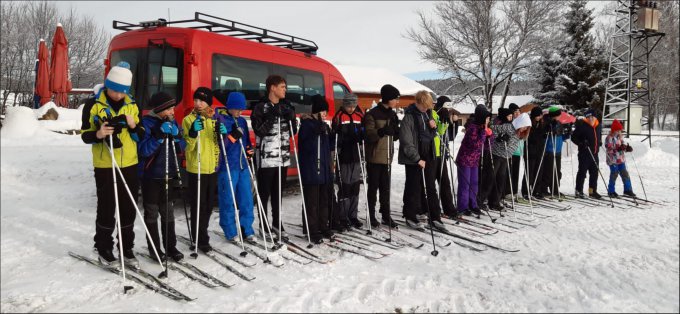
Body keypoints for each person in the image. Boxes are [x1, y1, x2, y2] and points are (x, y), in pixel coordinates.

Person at [80, 61, 143, 265]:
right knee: (106, 207)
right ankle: (103, 246)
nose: (117, 95)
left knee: (128, 208)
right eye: (114, 90)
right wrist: (98, 134)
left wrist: (133, 126)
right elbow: (85, 135)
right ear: (107, 85)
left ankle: (126, 248)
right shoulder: (93, 105)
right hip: (105, 164)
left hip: (129, 163)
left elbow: (140, 135)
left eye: (121, 91)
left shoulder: (133, 105)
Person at [138, 91, 186, 262]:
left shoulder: (173, 122)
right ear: (160, 109)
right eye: (169, 109)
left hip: (169, 173)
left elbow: (181, 147)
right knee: (152, 213)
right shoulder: (147, 123)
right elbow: (143, 150)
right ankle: (154, 248)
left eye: (173, 108)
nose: (172, 112)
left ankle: (171, 247)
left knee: (168, 212)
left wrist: (177, 137)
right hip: (151, 176)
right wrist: (158, 137)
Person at [251, 75, 296, 237]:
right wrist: (271, 116)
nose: (285, 90)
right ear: (272, 88)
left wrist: (292, 119)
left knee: (278, 193)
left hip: (282, 157)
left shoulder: (285, 106)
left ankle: (278, 224)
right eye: (282, 86)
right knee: (264, 193)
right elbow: (259, 131)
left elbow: (293, 133)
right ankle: (264, 225)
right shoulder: (260, 107)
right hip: (266, 158)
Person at [398, 91, 447, 231]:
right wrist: (417, 159)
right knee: (413, 187)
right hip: (414, 157)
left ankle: (435, 216)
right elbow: (406, 142)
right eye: (424, 106)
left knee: (431, 187)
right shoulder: (409, 117)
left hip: (429, 154)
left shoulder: (428, 114)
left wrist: (434, 127)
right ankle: (410, 215)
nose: (426, 109)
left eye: (428, 106)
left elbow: (433, 135)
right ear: (418, 103)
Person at [214, 92, 256, 243]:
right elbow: (221, 145)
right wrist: (232, 135)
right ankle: (230, 231)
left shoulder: (242, 121)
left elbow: (246, 142)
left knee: (246, 199)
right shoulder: (220, 120)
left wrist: (249, 149)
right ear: (230, 107)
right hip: (228, 165)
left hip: (243, 165)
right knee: (227, 200)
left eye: (241, 109)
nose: (240, 112)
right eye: (237, 108)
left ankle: (247, 229)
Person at [182, 87, 219, 253]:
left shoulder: (213, 119)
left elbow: (216, 144)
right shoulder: (188, 120)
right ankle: (200, 238)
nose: (198, 104)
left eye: (201, 100)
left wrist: (222, 134)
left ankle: (202, 232)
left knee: (209, 205)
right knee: (198, 205)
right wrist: (191, 133)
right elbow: (187, 147)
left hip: (211, 168)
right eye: (196, 100)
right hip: (196, 168)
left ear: (208, 102)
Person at [298, 95, 334, 243]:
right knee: (311, 201)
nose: (325, 114)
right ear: (316, 111)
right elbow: (304, 146)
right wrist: (314, 134)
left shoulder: (324, 126)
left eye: (326, 111)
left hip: (324, 169)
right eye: (323, 111)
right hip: (312, 168)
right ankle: (311, 229)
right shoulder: (307, 125)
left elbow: (328, 147)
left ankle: (323, 225)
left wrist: (334, 135)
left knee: (324, 200)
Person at [363, 84, 400, 228]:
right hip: (374, 157)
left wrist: (396, 132)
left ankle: (385, 214)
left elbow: (395, 135)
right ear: (388, 98)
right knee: (373, 188)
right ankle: (371, 215)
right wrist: (382, 131)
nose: (397, 101)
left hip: (387, 157)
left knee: (385, 188)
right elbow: (369, 134)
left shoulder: (393, 114)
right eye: (395, 99)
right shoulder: (372, 114)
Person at [330, 93, 364, 231]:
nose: (351, 108)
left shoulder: (359, 116)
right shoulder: (339, 116)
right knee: (345, 187)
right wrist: (345, 137)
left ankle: (353, 215)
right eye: (349, 105)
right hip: (343, 157)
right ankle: (343, 216)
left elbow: (364, 131)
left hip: (356, 157)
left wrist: (361, 134)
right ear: (344, 104)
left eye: (353, 105)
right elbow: (336, 135)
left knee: (355, 186)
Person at [455, 105, 492, 217]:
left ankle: (473, 204)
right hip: (465, 160)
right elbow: (475, 145)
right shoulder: (472, 128)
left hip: (474, 161)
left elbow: (486, 146)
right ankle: (463, 207)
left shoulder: (481, 128)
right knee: (465, 184)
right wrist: (484, 134)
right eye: (487, 118)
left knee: (474, 184)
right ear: (481, 117)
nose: (488, 121)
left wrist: (490, 137)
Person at [485, 108, 520, 211]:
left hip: (505, 154)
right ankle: (484, 199)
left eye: (511, 116)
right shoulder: (498, 122)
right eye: (509, 116)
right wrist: (498, 137)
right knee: (491, 177)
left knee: (501, 178)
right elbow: (490, 131)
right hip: (495, 153)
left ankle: (495, 201)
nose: (510, 118)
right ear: (504, 116)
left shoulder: (510, 125)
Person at [432, 96, 457, 217]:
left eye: (449, 108)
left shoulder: (445, 116)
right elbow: (436, 132)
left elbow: (449, 136)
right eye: (446, 108)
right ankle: (432, 209)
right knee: (431, 184)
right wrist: (441, 121)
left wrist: (450, 123)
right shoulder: (433, 114)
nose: (447, 111)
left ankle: (449, 208)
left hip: (441, 154)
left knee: (445, 183)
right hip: (432, 154)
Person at [571, 108, 603, 199]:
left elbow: (599, 135)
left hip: (595, 153)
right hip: (584, 154)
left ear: (595, 117)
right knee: (582, 173)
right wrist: (581, 143)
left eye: (592, 116)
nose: (590, 119)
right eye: (588, 117)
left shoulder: (598, 125)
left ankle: (592, 192)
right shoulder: (582, 125)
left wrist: (599, 141)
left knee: (594, 174)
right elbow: (573, 137)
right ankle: (578, 190)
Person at [541, 106, 570, 197]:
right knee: (548, 171)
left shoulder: (559, 123)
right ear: (554, 116)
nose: (560, 117)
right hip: (549, 150)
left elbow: (560, 136)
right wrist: (550, 130)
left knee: (557, 171)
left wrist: (567, 133)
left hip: (558, 150)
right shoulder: (547, 123)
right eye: (558, 115)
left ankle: (555, 189)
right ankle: (543, 189)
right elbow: (545, 136)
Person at [604, 119, 636, 198]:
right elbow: (609, 148)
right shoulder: (609, 137)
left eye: (619, 130)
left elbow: (622, 146)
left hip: (620, 159)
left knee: (625, 174)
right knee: (614, 174)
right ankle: (611, 191)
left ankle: (627, 190)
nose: (618, 132)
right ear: (613, 130)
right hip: (612, 160)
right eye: (617, 130)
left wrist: (626, 148)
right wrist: (617, 148)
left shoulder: (619, 137)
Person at [522, 106, 547, 199]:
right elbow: (527, 137)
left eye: (540, 115)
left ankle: (537, 190)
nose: (539, 117)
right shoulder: (529, 124)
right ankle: (526, 191)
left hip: (539, 151)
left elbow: (542, 135)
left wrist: (545, 133)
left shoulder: (541, 124)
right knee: (529, 172)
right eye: (538, 115)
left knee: (538, 171)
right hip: (530, 151)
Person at [504, 103, 522, 201]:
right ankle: (507, 191)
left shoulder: (521, 121)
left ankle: (514, 191)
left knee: (516, 172)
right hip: (510, 151)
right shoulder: (511, 122)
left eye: (518, 111)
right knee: (509, 172)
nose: (517, 113)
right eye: (515, 112)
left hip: (518, 150)